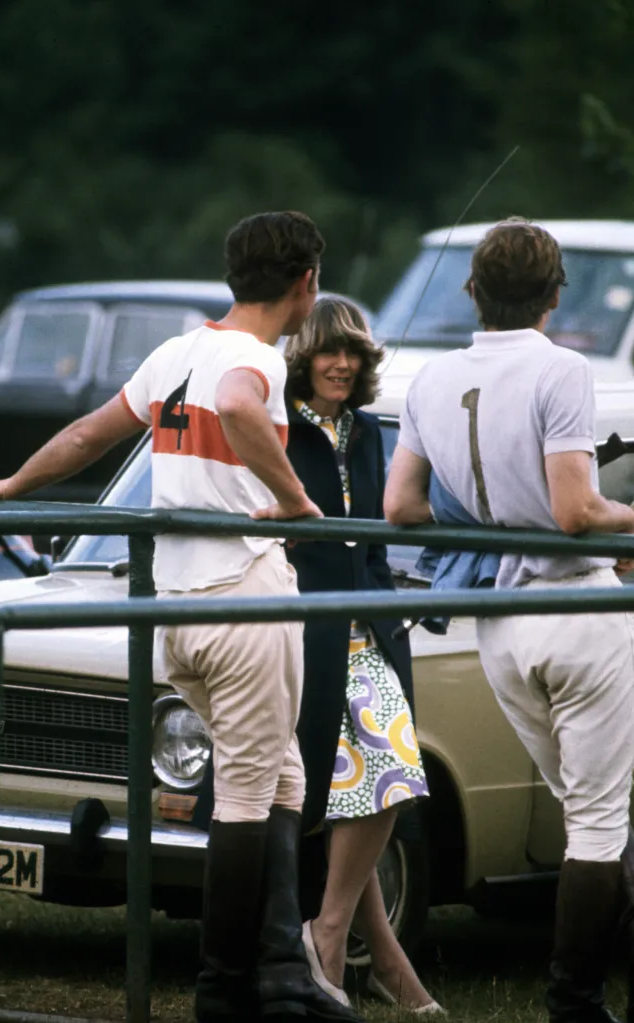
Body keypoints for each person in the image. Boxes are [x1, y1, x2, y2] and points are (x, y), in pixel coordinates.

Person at [0, 211, 363, 1023]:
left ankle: (284, 970)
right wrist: (295, 499)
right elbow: (243, 408)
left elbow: (85, 434)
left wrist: (5, 487)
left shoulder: (177, 352)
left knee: (282, 771)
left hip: (175, 605)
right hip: (243, 593)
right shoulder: (256, 362)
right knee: (247, 787)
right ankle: (224, 988)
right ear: (306, 285)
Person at [384, 216, 634, 1023]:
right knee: (597, 826)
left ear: (472, 292)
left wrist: (487, 512)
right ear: (554, 295)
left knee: (589, 814)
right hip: (576, 607)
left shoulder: (428, 380)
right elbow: (574, 510)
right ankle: (575, 1002)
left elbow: (402, 507)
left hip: (501, 626)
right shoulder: (560, 370)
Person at [280, 297, 444, 1015]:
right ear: (303, 357)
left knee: (387, 773)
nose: (342, 364)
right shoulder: (279, 426)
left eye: (353, 352)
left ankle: (333, 935)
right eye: (328, 351)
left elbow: (376, 540)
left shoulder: (370, 430)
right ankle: (374, 956)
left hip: (368, 627)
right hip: (304, 628)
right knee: (371, 779)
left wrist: (386, 616)